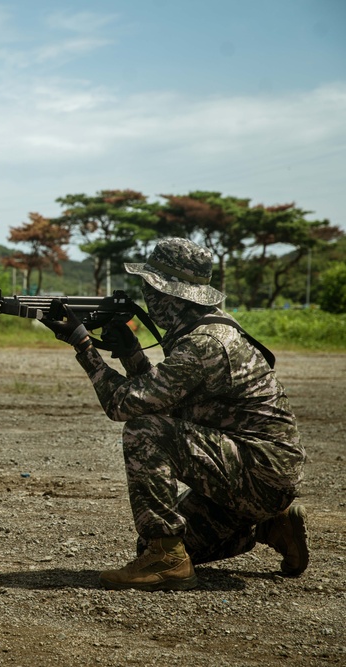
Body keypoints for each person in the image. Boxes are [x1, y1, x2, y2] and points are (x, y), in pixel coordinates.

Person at [41, 237, 307, 591]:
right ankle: (271, 524)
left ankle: (170, 559)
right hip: (258, 473)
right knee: (153, 544)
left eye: (151, 287)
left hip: (260, 472)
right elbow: (166, 399)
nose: (146, 296)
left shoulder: (204, 344)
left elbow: (123, 406)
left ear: (171, 293)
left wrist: (84, 347)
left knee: (144, 432)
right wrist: (131, 353)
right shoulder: (209, 328)